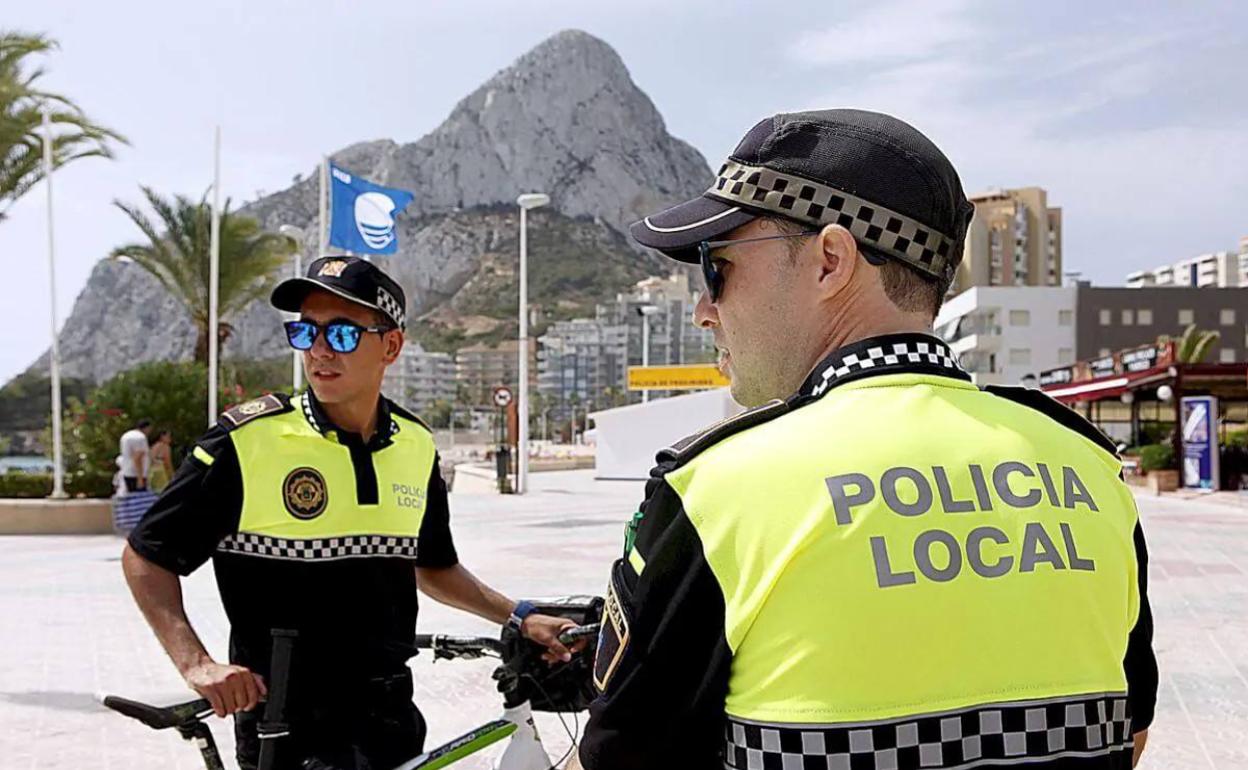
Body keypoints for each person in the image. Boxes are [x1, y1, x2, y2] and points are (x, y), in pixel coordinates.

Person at [575, 110, 1158, 770]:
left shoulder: (719, 490)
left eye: (718, 266)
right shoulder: (1087, 467)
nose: (704, 308)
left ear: (830, 261)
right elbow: (1128, 730)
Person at [122, 256, 580, 770]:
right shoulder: (247, 441)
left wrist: (519, 615)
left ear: (391, 346)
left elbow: (433, 566)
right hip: (287, 726)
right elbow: (147, 555)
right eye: (306, 332)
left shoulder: (414, 444)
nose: (318, 350)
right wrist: (197, 663)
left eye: (341, 334)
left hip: (389, 715)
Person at [118, 418, 152, 492]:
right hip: (137, 474)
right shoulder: (140, 437)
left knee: (132, 499)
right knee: (140, 500)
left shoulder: (126, 436)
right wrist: (140, 478)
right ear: (146, 428)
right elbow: (137, 457)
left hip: (127, 472)